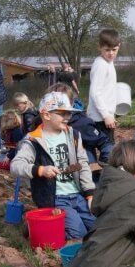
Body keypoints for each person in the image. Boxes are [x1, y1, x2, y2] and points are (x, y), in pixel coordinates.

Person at [10, 92, 96, 240]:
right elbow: (16, 166)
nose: (67, 117)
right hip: (55, 199)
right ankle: (41, 228)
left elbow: (82, 164)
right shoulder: (33, 140)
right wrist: (40, 170)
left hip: (77, 195)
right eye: (62, 113)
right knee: (79, 234)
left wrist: (89, 193)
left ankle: (56, 225)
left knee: (98, 227)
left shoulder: (73, 135)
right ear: (47, 115)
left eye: (69, 113)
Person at [49, 82, 114, 166]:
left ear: (71, 104)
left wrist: (104, 164)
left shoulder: (82, 124)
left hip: (84, 170)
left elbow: (104, 142)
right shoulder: (41, 123)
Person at [87, 29, 120, 142]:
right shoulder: (101, 65)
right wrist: (106, 115)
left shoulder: (109, 62)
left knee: (109, 149)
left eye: (114, 49)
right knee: (108, 151)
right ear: (99, 47)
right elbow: (95, 92)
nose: (111, 53)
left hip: (106, 115)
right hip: (100, 118)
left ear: (118, 46)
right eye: (107, 50)